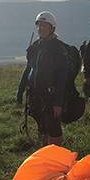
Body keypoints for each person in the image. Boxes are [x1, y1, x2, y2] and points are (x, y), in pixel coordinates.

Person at [18, 11, 70, 146]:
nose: (41, 29)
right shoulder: (36, 47)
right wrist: (20, 90)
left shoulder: (58, 49)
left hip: (50, 95)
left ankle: (55, 156)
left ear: (51, 28)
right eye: (39, 26)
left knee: (53, 126)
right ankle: (44, 152)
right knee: (40, 123)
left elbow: (61, 77)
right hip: (35, 93)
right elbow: (29, 68)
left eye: (44, 26)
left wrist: (58, 103)